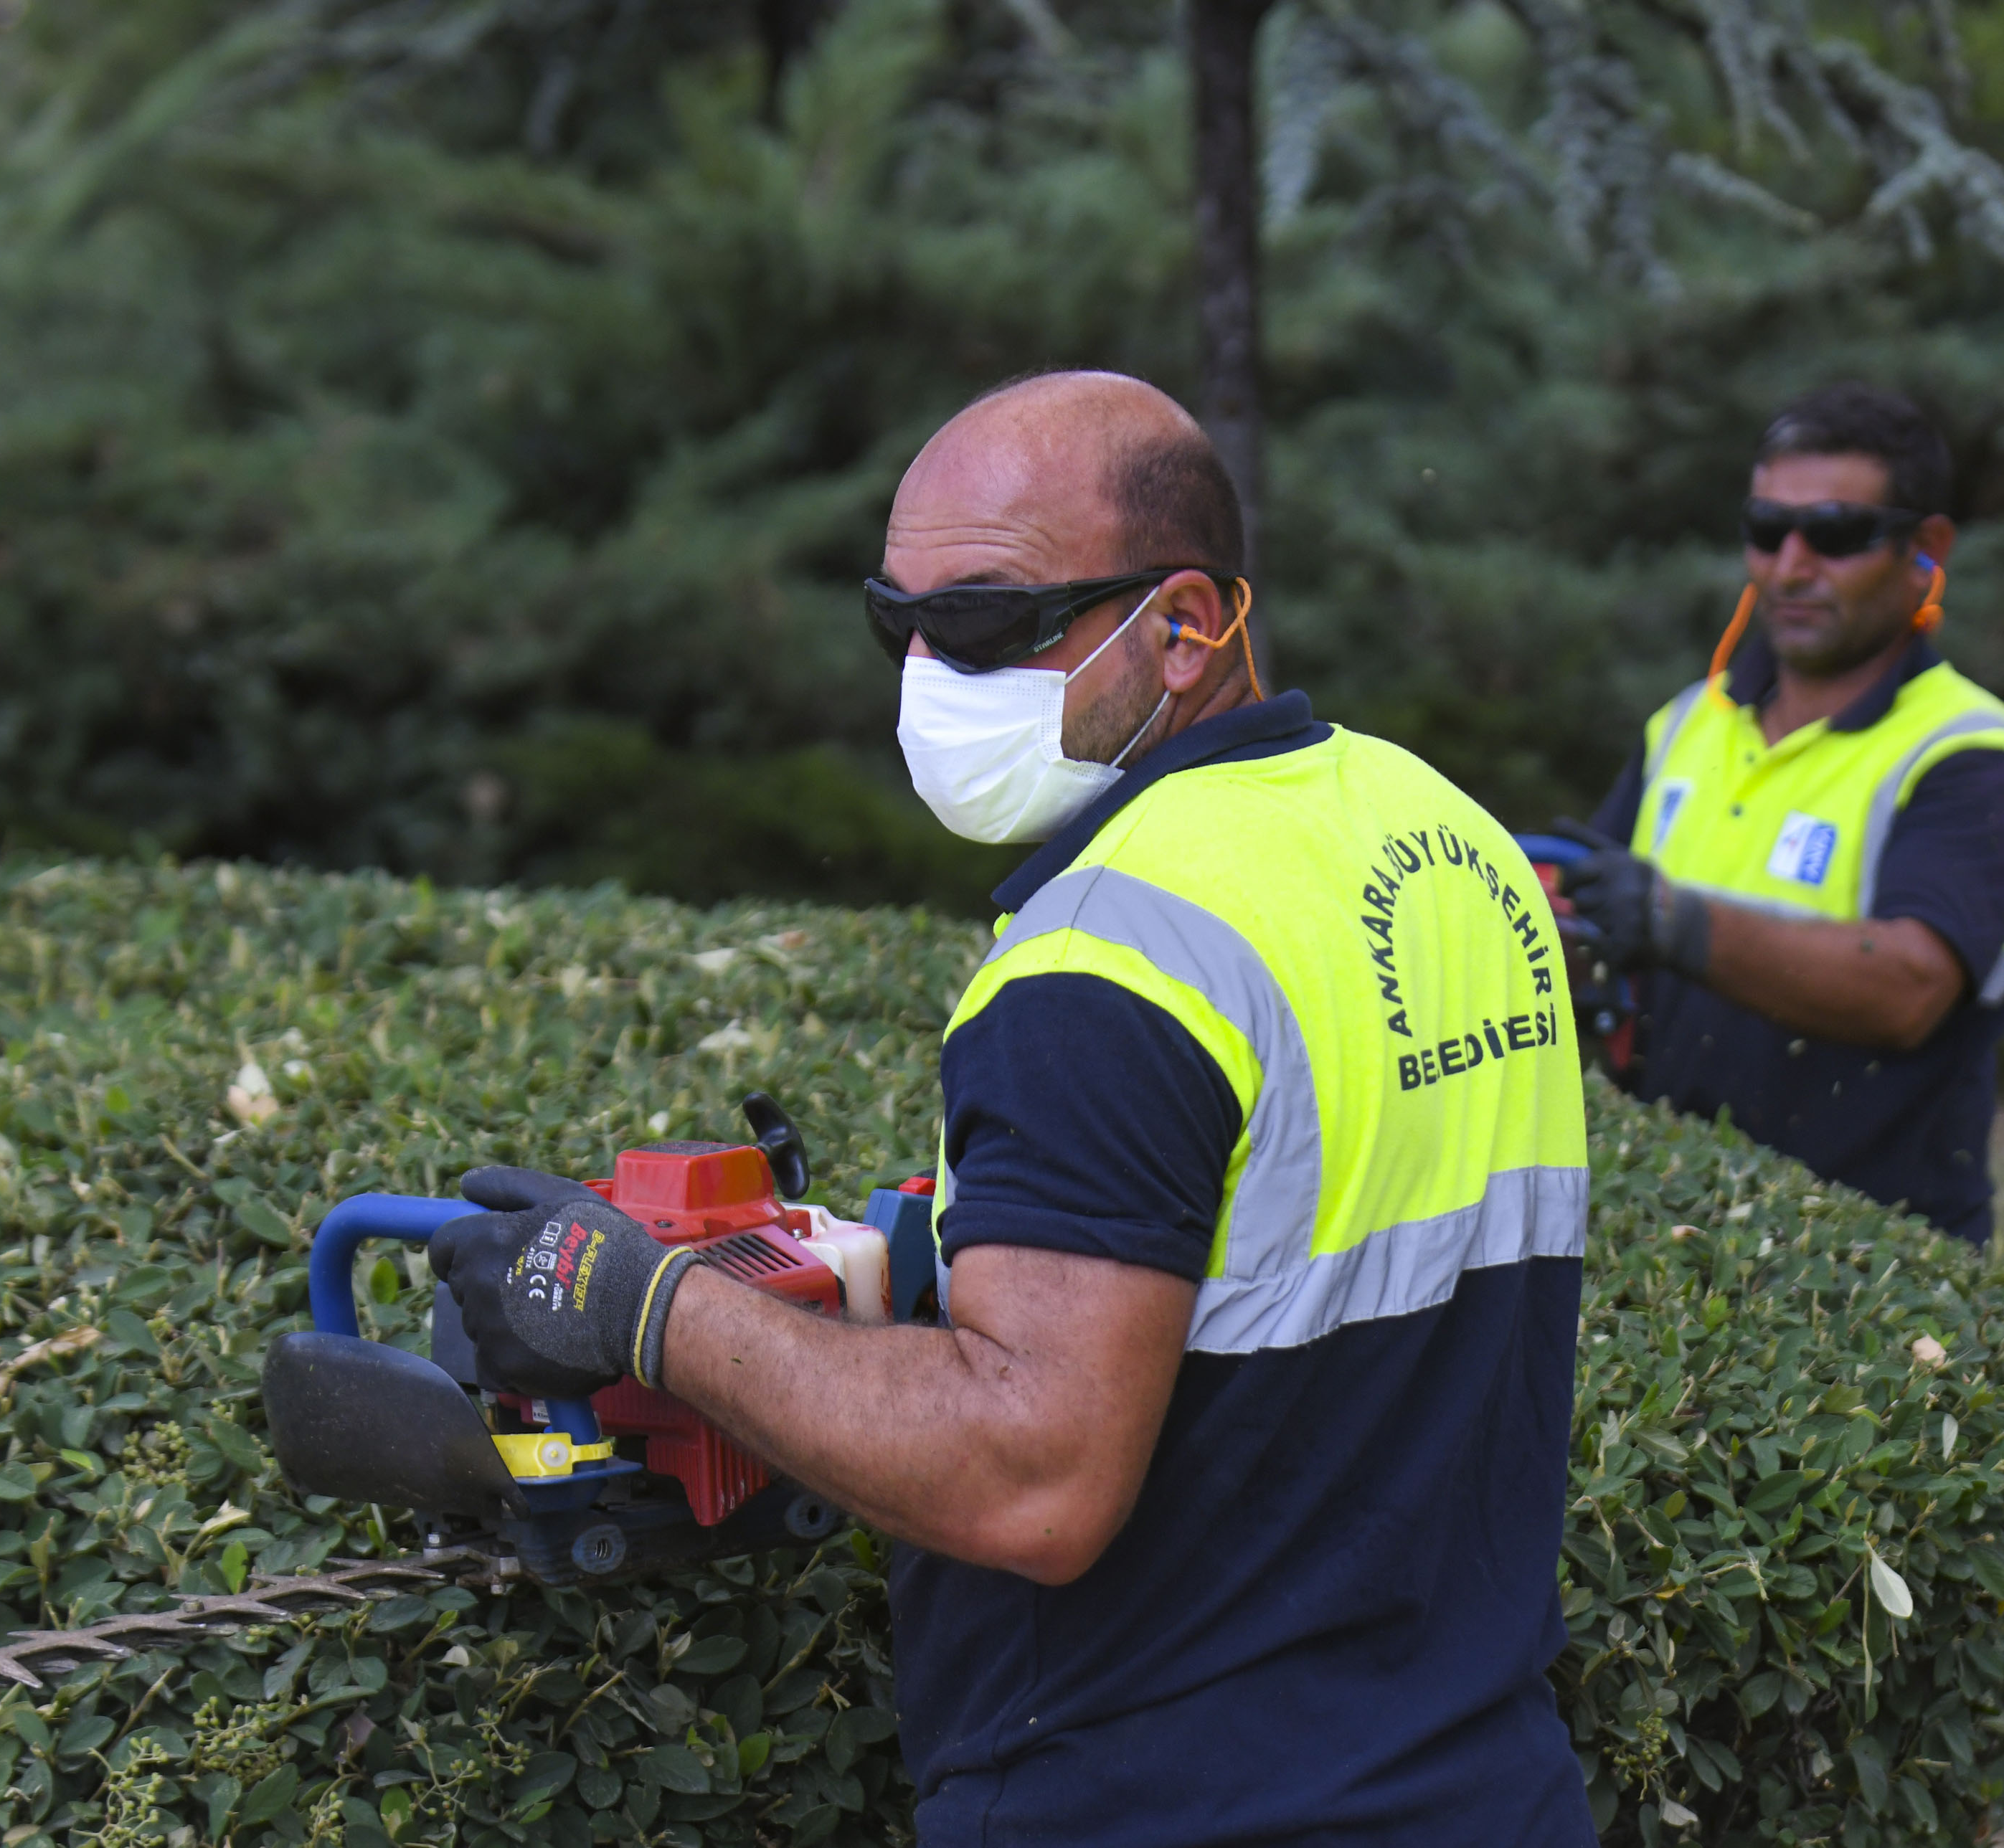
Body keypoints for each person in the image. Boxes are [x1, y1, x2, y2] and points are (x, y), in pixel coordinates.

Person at [430, 371, 1596, 1846]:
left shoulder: (1106, 958)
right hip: (1477, 1781)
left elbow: (1035, 1477)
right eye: (894, 622)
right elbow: (1296, 1257)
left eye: (984, 625)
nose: (929, 671)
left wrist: (645, 1303)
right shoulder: (1439, 835)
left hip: (1179, 1802)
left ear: (1184, 626)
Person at [1560, 384, 2004, 1245]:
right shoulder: (1686, 724)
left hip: (1876, 1262)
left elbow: (1907, 990)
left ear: (1926, 547)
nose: (1790, 567)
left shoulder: (1972, 758)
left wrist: (1667, 920)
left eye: (1835, 535)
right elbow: (1581, 931)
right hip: (1667, 1231)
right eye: (1766, 529)